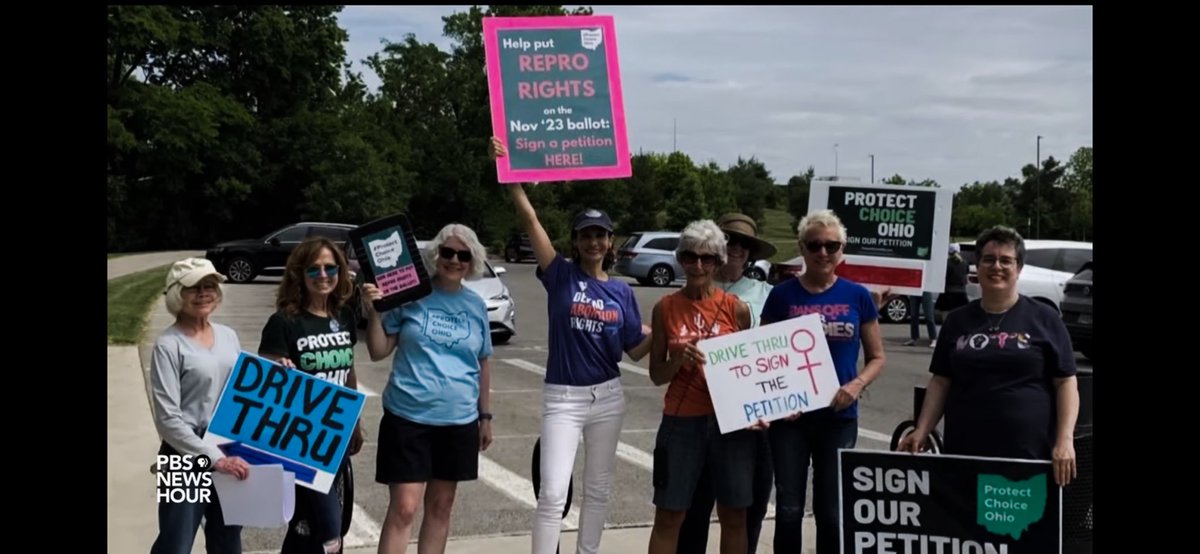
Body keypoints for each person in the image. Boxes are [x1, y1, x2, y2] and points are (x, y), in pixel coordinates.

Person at [489, 137, 652, 554]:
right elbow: (531, 220)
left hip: (608, 398)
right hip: (564, 398)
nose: (594, 242)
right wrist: (510, 177)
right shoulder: (560, 274)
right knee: (552, 494)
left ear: (611, 241)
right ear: (576, 241)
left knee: (598, 491)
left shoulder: (622, 292)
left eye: (601, 235)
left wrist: (668, 328)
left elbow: (635, 348)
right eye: (586, 235)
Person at [898, 226, 1080, 488]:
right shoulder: (957, 321)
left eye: (1006, 260)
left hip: (1028, 456)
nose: (997, 266)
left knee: (1020, 516)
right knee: (966, 514)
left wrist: (1064, 441)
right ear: (977, 266)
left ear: (1018, 268)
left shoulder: (1045, 319)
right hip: (966, 454)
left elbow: (1065, 382)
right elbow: (941, 381)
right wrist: (922, 429)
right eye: (988, 259)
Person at [759, 209, 887, 554]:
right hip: (791, 420)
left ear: (842, 250)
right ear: (802, 248)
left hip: (839, 417)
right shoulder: (782, 296)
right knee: (789, 510)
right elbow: (764, 356)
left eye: (832, 245)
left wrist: (856, 385)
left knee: (831, 512)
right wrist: (778, 399)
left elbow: (877, 357)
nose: (823, 252)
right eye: (815, 245)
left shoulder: (857, 296)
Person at [363, 223, 495, 554]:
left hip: (458, 421)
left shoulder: (476, 305)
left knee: (441, 506)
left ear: (473, 261)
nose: (454, 260)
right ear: (436, 253)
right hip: (408, 417)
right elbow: (378, 351)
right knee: (405, 507)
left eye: (463, 255)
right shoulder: (411, 296)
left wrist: (485, 417)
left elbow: (483, 362)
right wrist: (374, 313)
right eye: (448, 252)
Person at [647, 219, 756, 554]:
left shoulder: (737, 309)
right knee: (669, 515)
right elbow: (656, 374)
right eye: (690, 256)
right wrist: (679, 360)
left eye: (706, 258)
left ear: (718, 262)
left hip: (729, 423)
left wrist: (760, 407)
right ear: (680, 259)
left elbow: (751, 371)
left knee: (734, 514)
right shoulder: (665, 308)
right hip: (681, 422)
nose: (697, 265)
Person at [676, 213, 776, 554]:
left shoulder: (767, 294)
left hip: (750, 415)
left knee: (746, 507)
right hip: (699, 411)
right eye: (730, 240)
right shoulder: (694, 288)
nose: (737, 248)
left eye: (745, 244)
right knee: (694, 507)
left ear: (751, 253)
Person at [258, 237, 364, 554]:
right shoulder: (284, 322)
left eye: (330, 267)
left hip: (336, 434)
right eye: (313, 269)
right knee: (330, 531)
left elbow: (348, 371)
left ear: (340, 272)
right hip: (300, 440)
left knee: (305, 526)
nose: (323, 275)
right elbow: (265, 383)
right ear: (299, 274)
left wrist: (355, 423)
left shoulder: (343, 316)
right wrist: (279, 369)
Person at [149, 257, 250, 554]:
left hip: (228, 445)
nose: (204, 293)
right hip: (183, 454)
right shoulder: (168, 345)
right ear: (177, 294)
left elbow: (243, 389)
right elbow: (168, 420)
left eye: (210, 286)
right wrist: (213, 458)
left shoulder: (228, 336)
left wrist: (279, 372)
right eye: (194, 288)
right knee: (176, 543)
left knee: (228, 541)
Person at [936, 243, 970, 314]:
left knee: (946, 314)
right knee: (960, 315)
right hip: (961, 293)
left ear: (949, 252)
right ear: (959, 251)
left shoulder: (946, 263)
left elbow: (942, 278)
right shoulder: (965, 263)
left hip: (948, 293)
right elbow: (966, 280)